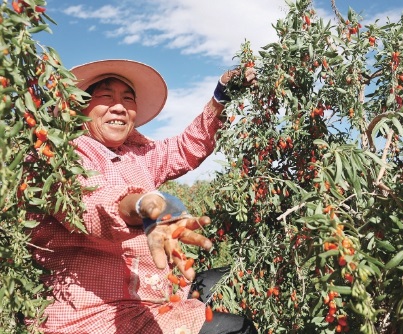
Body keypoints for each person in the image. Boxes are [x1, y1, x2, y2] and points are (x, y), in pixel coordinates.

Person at [28, 59, 257, 334]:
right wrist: (143, 205)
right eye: (105, 96)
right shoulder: (60, 155)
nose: (119, 106)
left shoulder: (135, 154)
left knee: (240, 279)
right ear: (79, 106)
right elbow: (90, 204)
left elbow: (184, 149)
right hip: (97, 313)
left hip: (153, 294)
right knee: (236, 329)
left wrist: (220, 98)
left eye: (128, 98)